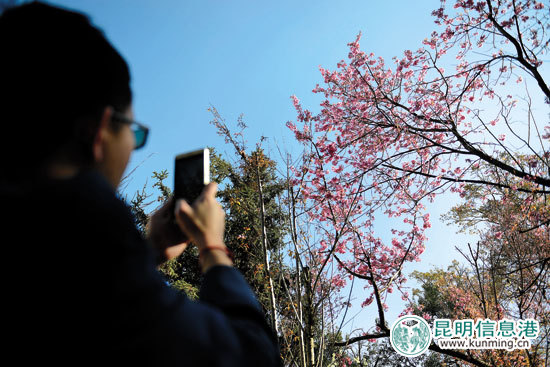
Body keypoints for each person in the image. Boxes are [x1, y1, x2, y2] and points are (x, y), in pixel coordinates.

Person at [0, 2, 281, 366]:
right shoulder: (91, 237)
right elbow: (251, 356)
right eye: (134, 131)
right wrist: (212, 247)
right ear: (99, 130)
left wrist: (150, 251)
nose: (133, 146)